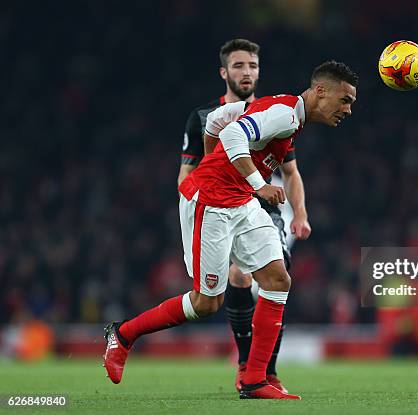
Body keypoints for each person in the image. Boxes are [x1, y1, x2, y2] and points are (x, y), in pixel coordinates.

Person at [103, 60, 358, 399]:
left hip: (239, 203)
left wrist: (218, 161)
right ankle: (123, 335)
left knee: (277, 279)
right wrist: (257, 184)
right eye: (345, 100)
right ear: (321, 91)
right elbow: (233, 133)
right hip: (211, 203)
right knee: (206, 303)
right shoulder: (284, 113)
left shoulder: (283, 110)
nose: (348, 109)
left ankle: (255, 379)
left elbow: (217, 122)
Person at [179, 38, 311, 393]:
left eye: (252, 65)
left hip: (264, 207)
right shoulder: (204, 117)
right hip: (221, 204)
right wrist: (197, 203)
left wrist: (299, 213)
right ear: (224, 72)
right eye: (238, 66)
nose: (247, 72)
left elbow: (292, 172)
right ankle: (246, 366)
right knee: (234, 282)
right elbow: (187, 173)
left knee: (275, 279)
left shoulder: (273, 114)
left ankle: (267, 371)